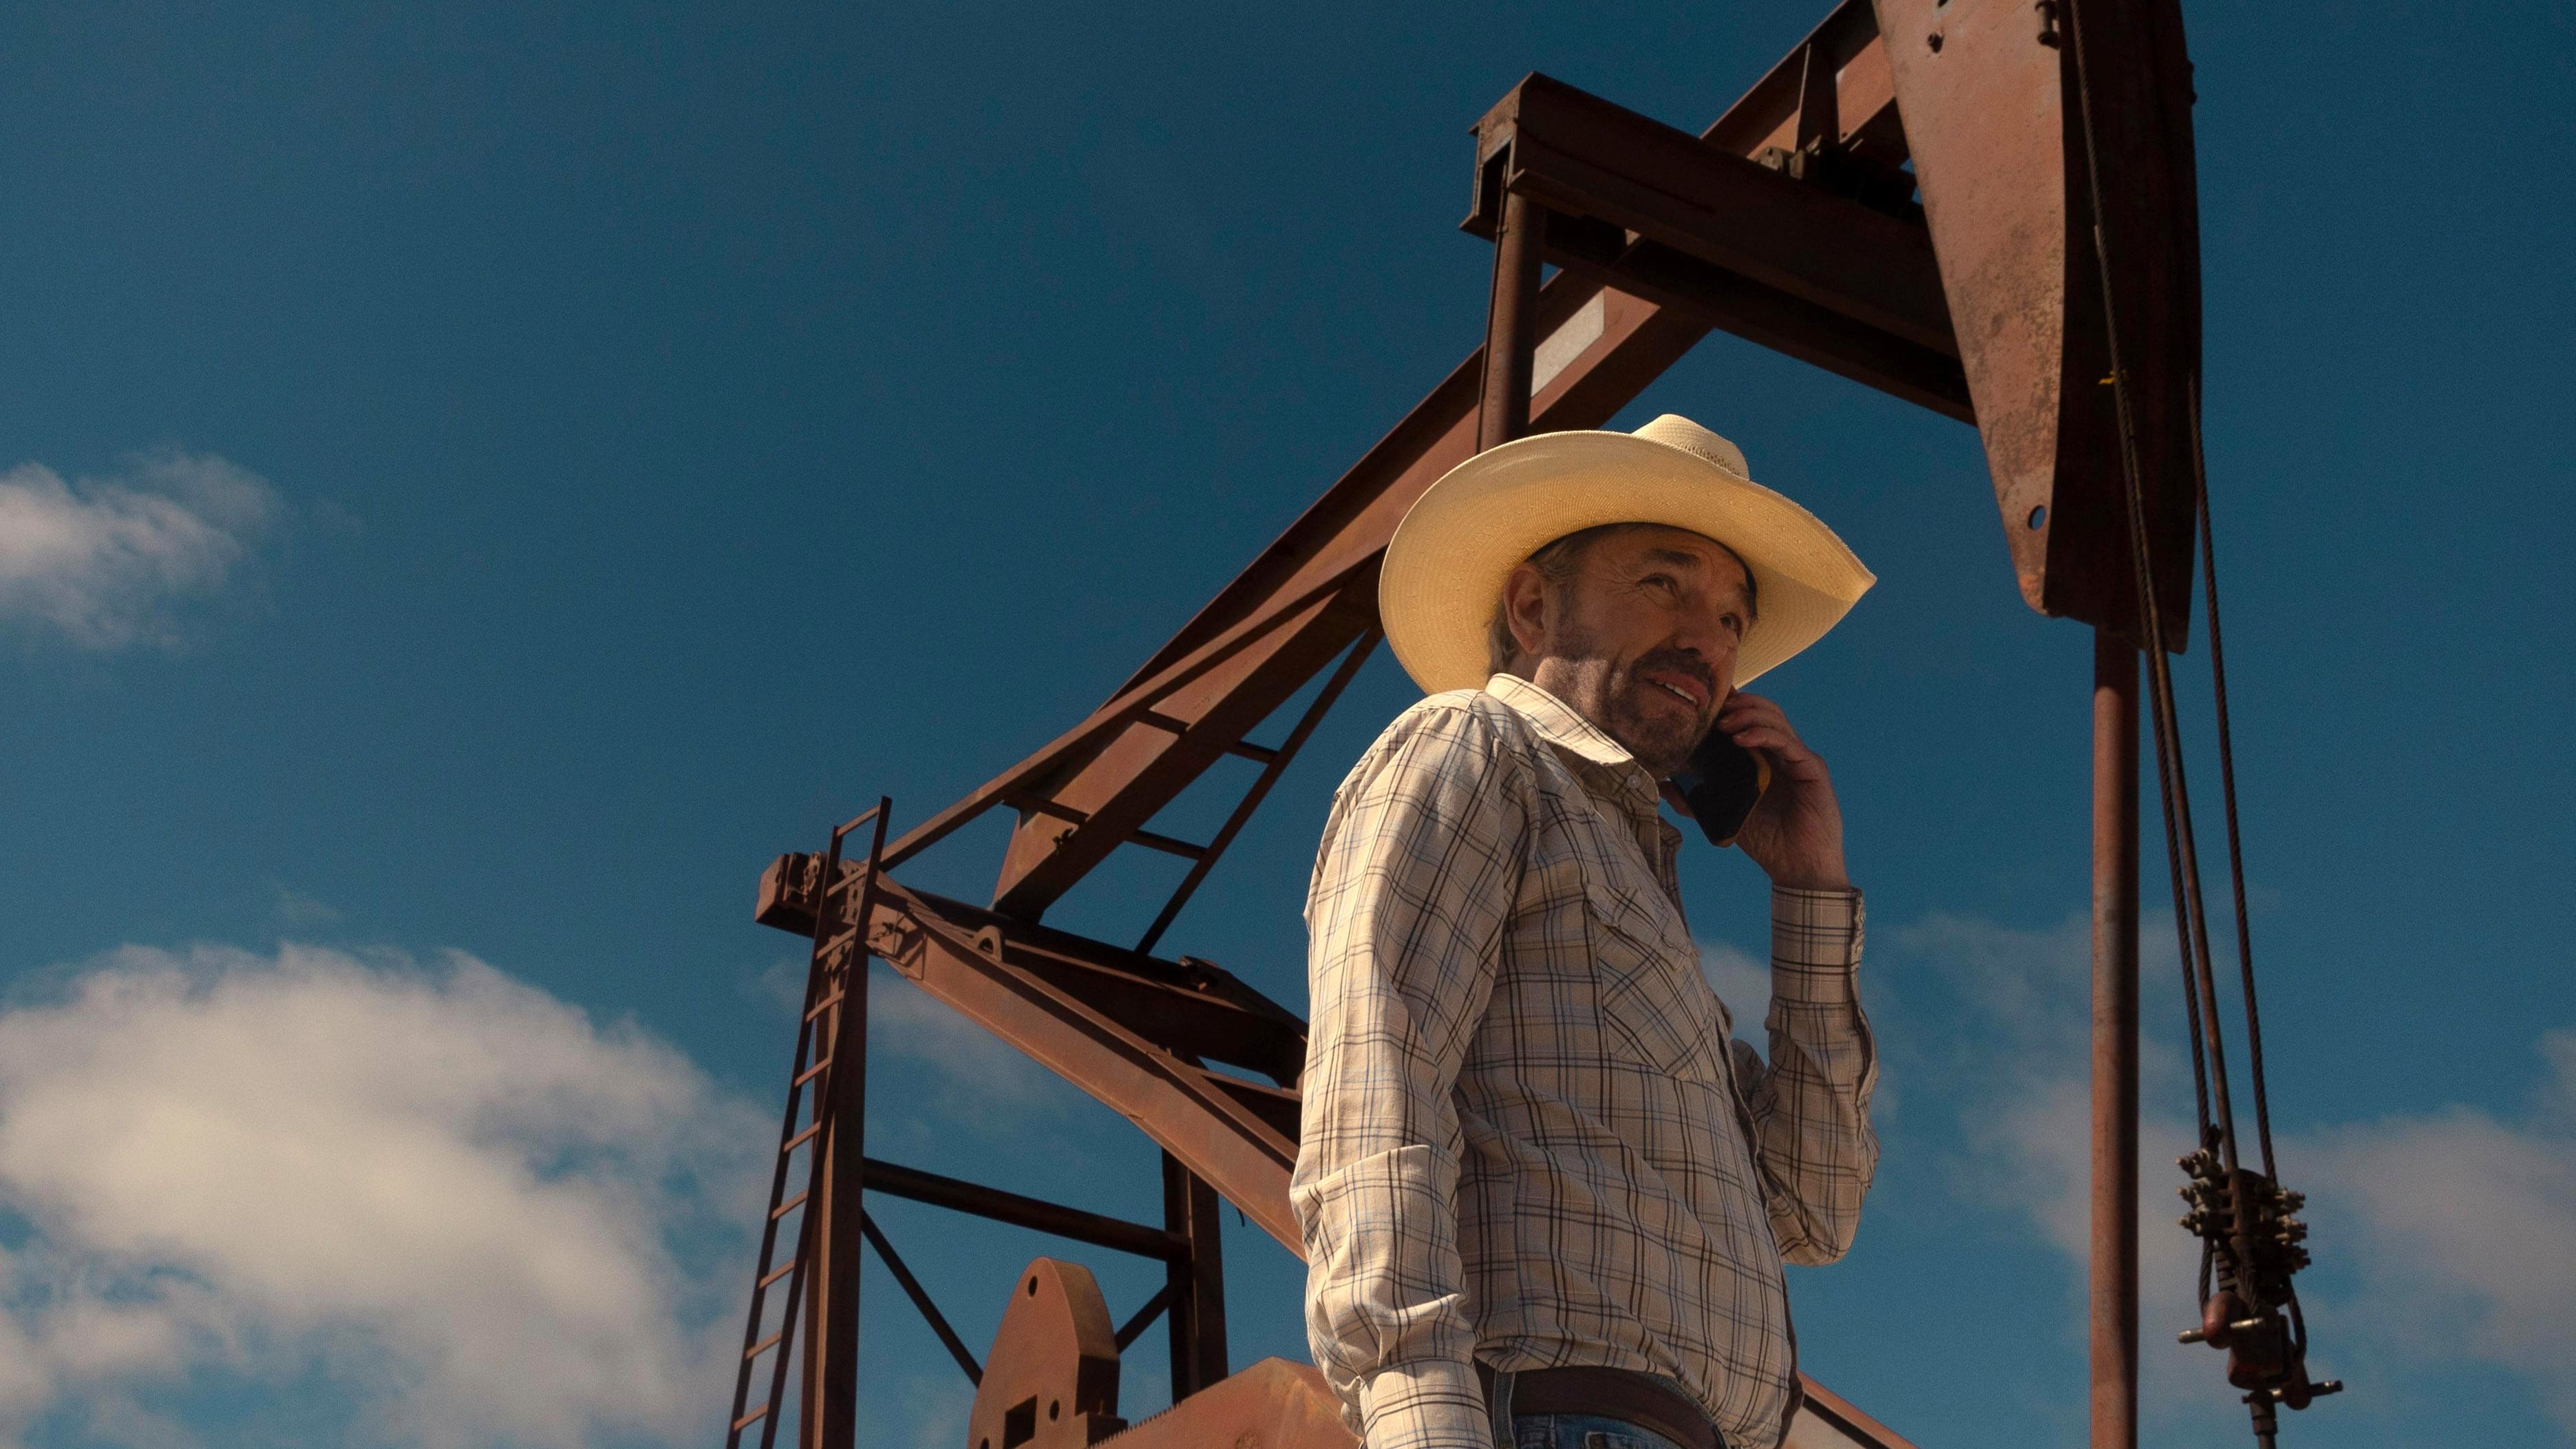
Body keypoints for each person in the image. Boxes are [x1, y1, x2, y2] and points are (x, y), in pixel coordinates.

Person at [1292, 414, 1882, 1449]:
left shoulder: (1645, 897)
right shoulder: (1472, 746)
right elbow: (1375, 1095)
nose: (1709, 641)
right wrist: (1422, 1420)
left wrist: (1810, 888)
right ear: (1531, 606)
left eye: (1732, 618)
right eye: (1665, 584)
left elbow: (1813, 1206)